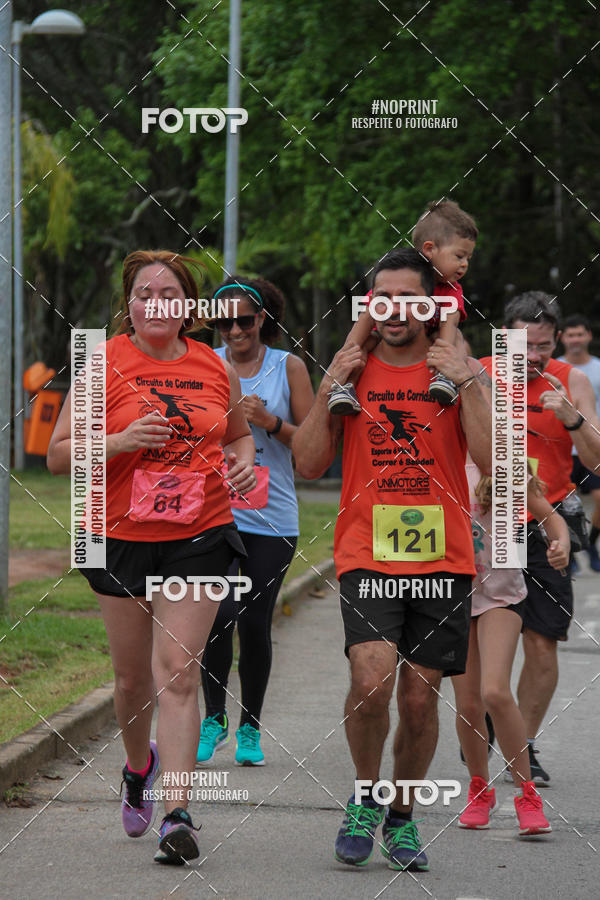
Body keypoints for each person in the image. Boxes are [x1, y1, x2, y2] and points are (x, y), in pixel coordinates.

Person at [47, 250, 256, 865]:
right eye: (144, 293)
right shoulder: (102, 362)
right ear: (129, 305)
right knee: (133, 678)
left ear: (189, 308)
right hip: (117, 536)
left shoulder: (215, 367)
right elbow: (59, 456)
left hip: (202, 532)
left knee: (179, 670)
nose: (156, 303)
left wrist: (243, 461)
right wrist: (118, 441)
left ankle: (178, 813)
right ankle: (138, 767)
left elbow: (238, 434)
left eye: (170, 293)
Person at [292, 247, 492, 872]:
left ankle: (402, 818)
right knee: (371, 680)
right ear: (370, 307)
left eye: (410, 297)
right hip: (367, 551)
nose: (395, 310)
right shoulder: (352, 371)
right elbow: (307, 461)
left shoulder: (455, 370)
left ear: (431, 304)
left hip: (444, 558)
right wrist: (331, 383)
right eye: (383, 298)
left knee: (418, 700)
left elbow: (494, 463)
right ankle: (364, 795)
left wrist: (467, 381)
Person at [480, 292, 600, 785]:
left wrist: (571, 417)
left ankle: (519, 747)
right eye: (522, 347)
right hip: (488, 524)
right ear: (504, 338)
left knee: (543, 641)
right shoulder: (481, 372)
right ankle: (486, 727)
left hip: (547, 524)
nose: (532, 358)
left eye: (543, 348)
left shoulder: (571, 379)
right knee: (482, 641)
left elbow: (596, 461)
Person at [196, 276, 314, 767]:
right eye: (223, 322)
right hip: (215, 511)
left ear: (263, 319)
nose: (234, 331)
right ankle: (213, 717)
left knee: (253, 621)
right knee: (215, 619)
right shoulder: (205, 367)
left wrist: (269, 424)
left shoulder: (289, 367)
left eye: (244, 320)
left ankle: (250, 727)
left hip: (272, 516)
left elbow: (313, 453)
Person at [452, 460, 569, 834]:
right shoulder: (439, 460)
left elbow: (552, 518)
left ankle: (527, 794)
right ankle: (479, 790)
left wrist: (560, 545)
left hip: (502, 595)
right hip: (453, 597)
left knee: (494, 692)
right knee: (469, 703)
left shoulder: (505, 469)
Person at [328, 200, 477, 413]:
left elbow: (449, 327)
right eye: (459, 256)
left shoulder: (452, 290)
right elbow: (364, 320)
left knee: (459, 340)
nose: (465, 264)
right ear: (429, 249)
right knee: (366, 343)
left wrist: (443, 358)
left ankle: (445, 379)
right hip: (389, 333)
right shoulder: (396, 278)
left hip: (432, 336)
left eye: (468, 258)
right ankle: (344, 387)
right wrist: (346, 353)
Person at [559, 314, 600, 571]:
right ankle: (570, 551)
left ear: (589, 336)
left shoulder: (597, 368)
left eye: (579, 334)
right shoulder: (553, 367)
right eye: (570, 334)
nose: (575, 339)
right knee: (564, 505)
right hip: (562, 447)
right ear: (561, 337)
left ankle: (590, 544)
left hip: (593, 445)